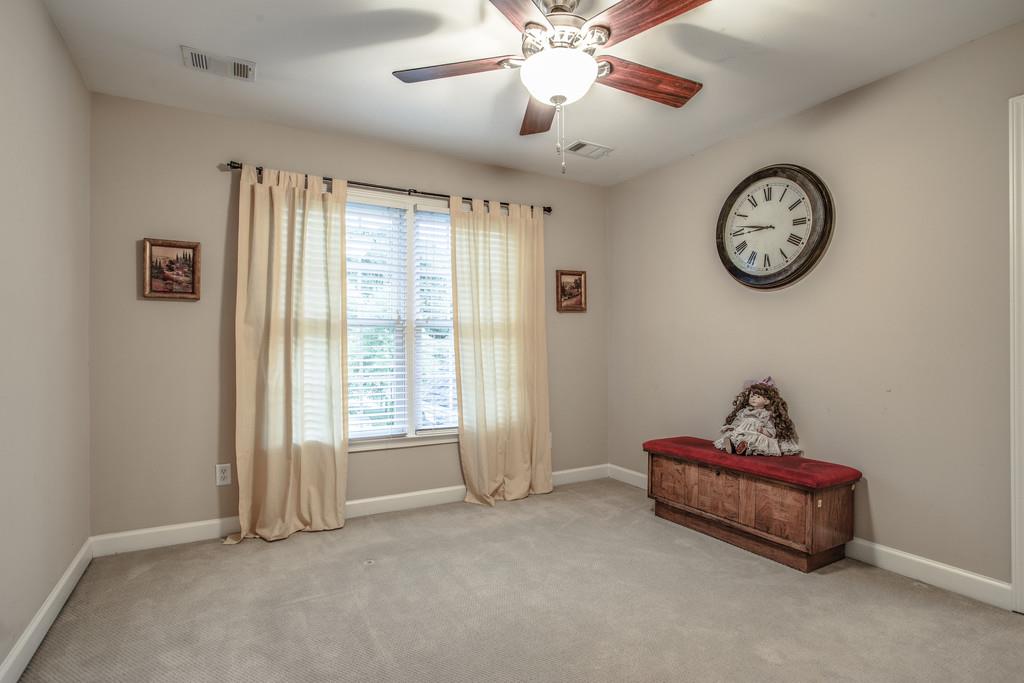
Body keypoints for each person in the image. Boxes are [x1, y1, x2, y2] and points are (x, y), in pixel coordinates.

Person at [713, 377, 801, 456]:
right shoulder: (745, 411)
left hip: (755, 435)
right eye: (751, 396)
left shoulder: (765, 414)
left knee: (753, 441)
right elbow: (738, 421)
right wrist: (731, 427)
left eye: (758, 396)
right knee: (735, 436)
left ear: (767, 401)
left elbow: (771, 431)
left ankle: (745, 449)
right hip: (742, 432)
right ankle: (733, 446)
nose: (753, 399)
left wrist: (762, 430)